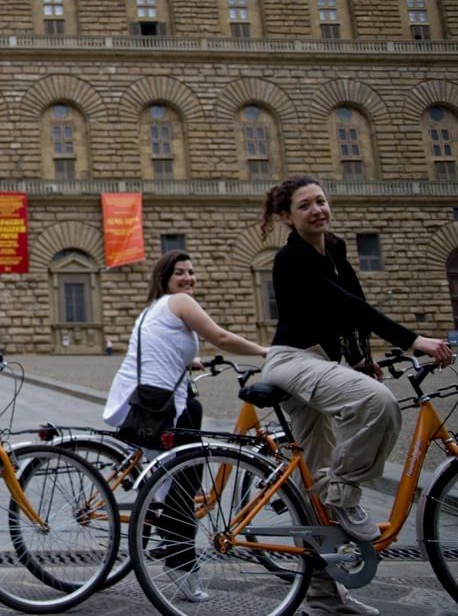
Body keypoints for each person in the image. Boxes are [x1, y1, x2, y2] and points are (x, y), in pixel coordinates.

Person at [261, 174, 452, 616]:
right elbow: (348, 306)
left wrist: (363, 359)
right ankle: (342, 493)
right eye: (305, 205)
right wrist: (412, 339)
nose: (317, 210)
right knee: (377, 403)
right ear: (288, 216)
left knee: (312, 490)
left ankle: (325, 599)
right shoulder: (290, 259)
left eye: (321, 201)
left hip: (324, 362)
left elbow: (352, 300)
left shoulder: (336, 248)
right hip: (294, 361)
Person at [103, 250, 267, 603]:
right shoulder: (178, 301)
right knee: (183, 489)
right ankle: (179, 563)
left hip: (142, 402)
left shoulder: (154, 308)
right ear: (166, 277)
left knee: (176, 477)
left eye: (192, 272)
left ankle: (167, 541)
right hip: (163, 408)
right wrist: (268, 352)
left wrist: (191, 361)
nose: (189, 278)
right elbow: (221, 337)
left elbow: (162, 347)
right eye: (181, 272)